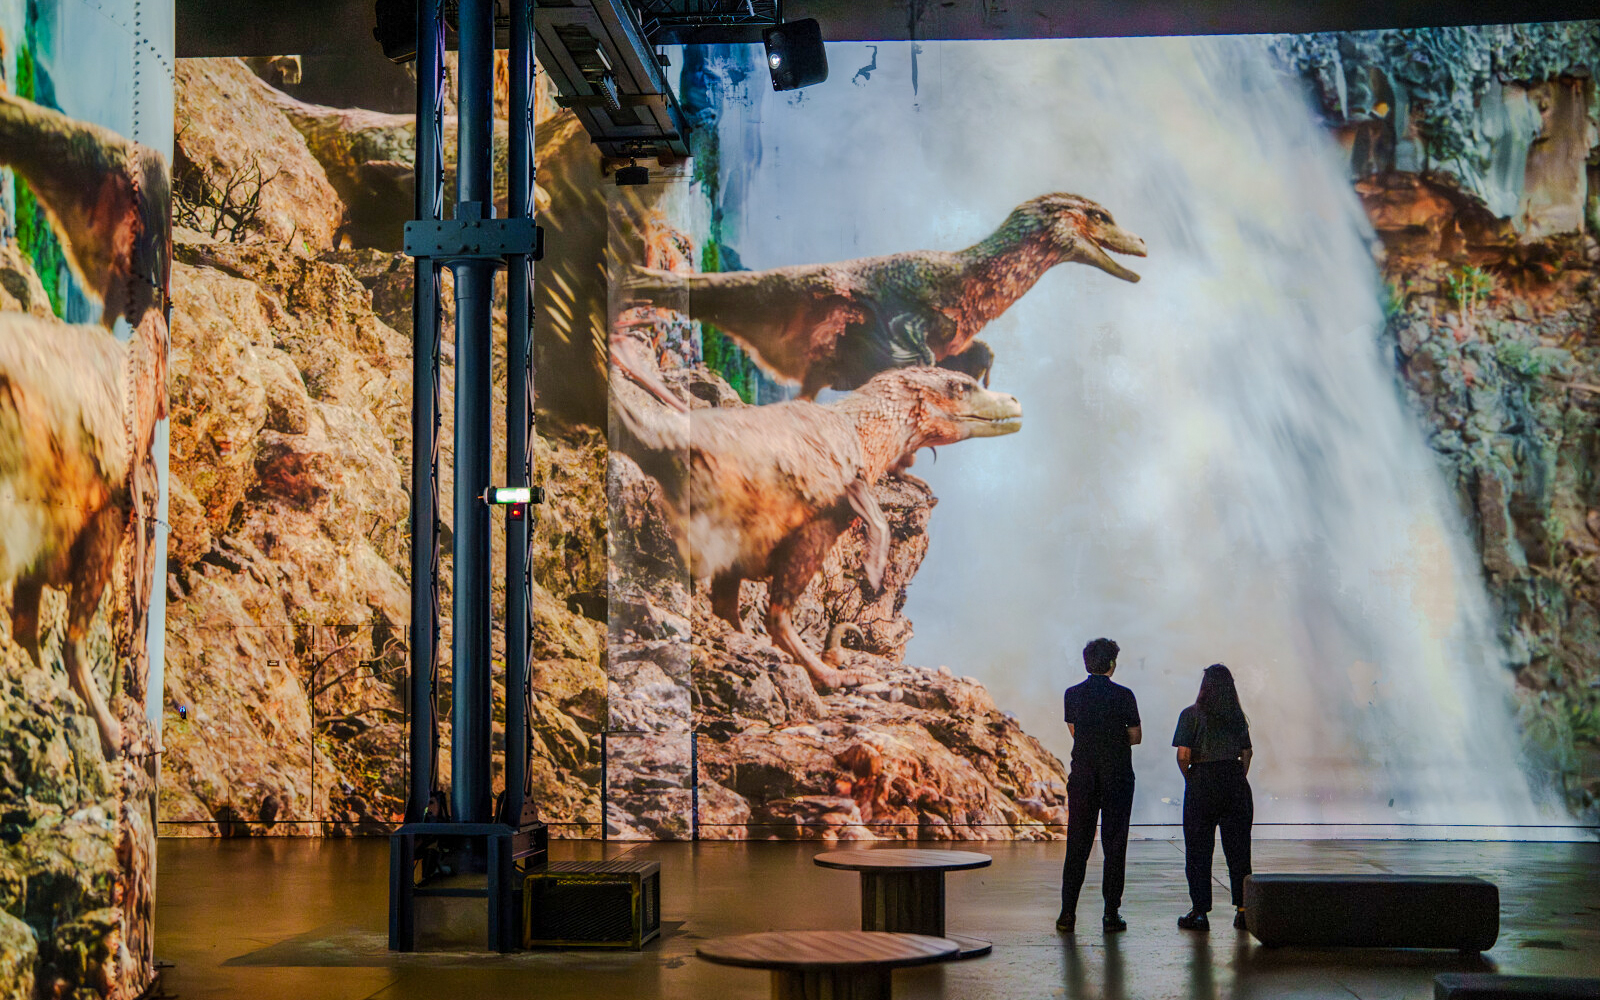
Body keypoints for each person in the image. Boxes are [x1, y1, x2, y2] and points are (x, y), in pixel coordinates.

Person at [1057, 637, 1142, 933]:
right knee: (1114, 845)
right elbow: (1136, 735)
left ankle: (1067, 914)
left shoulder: (1072, 694)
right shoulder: (1124, 695)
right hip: (1117, 776)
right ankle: (1110, 914)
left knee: (1077, 845)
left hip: (1083, 777)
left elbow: (1074, 731)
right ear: (1111, 665)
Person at [1172, 663, 1254, 931]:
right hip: (1234, 782)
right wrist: (1236, 776)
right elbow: (1247, 754)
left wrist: (1193, 778)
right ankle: (1243, 911)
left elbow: (1183, 755)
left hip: (1202, 782)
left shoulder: (1190, 715)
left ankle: (1199, 913)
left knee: (1198, 851)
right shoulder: (1237, 717)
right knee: (1239, 851)